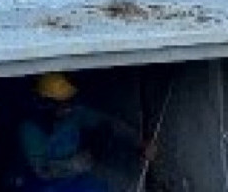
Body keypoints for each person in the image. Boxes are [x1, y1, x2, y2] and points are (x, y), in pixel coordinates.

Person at [17, 72, 155, 192]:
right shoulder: (31, 129)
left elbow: (110, 123)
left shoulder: (76, 113)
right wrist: (72, 164)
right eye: (62, 104)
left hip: (77, 177)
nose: (69, 108)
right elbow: (41, 170)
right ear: (46, 104)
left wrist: (139, 142)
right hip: (42, 184)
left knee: (118, 185)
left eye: (70, 101)